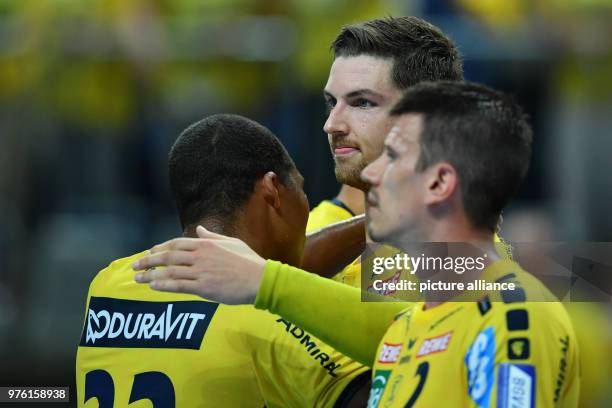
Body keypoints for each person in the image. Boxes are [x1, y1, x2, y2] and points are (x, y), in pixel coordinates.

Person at [133, 82, 580, 407]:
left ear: (441, 180)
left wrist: (266, 282)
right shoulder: (406, 330)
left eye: (394, 156)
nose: (369, 174)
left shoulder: (512, 315)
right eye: (330, 102)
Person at [76, 114, 370, 407]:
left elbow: (280, 270)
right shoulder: (262, 307)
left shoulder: (109, 284)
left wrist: (378, 224)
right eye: (300, 189)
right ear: (272, 189)